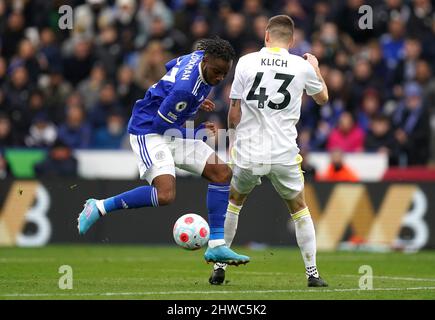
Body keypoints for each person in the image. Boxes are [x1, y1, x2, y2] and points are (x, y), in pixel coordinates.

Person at [77, 38, 250, 266]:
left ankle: (217, 246)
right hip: (149, 131)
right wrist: (197, 129)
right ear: (206, 61)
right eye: (216, 72)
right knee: (165, 195)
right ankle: (99, 206)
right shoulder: (185, 90)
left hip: (170, 125)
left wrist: (196, 103)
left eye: (223, 74)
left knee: (221, 173)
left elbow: (171, 65)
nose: (219, 78)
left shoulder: (197, 56)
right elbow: (161, 127)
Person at [209, 15, 329, 287]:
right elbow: (323, 98)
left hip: (249, 151)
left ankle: (219, 267)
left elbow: (234, 110)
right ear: (292, 40)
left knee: (234, 202)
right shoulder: (301, 66)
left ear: (266, 36)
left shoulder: (247, 62)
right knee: (299, 208)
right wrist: (316, 67)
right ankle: (312, 273)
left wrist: (232, 140)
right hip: (284, 153)